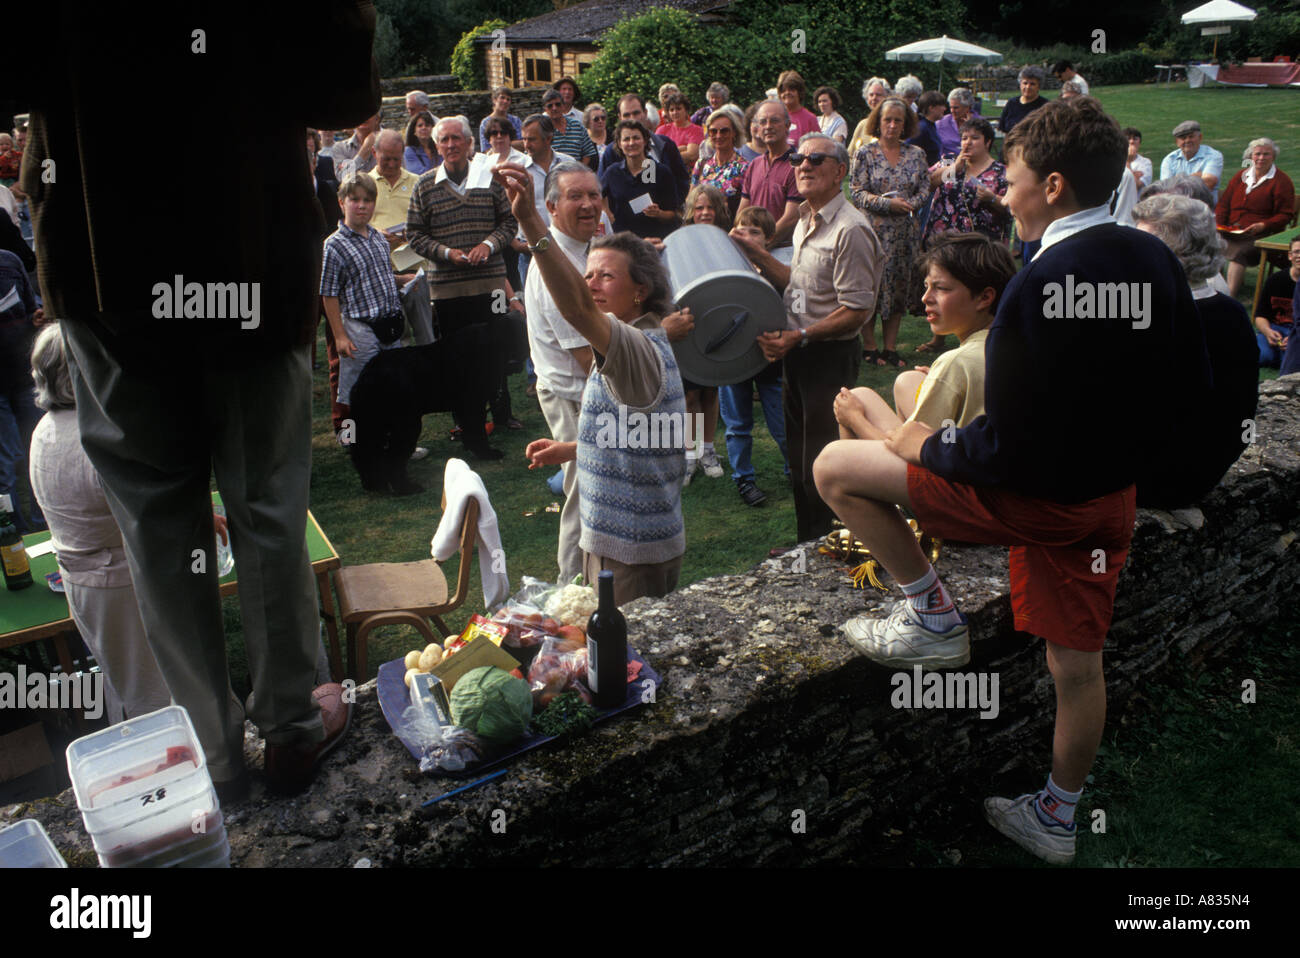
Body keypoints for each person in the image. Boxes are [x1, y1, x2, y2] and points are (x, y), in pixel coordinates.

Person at [813, 96, 1216, 866]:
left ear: (1054, 185)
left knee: (837, 467)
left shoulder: (1045, 278)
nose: (1004, 192)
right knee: (1075, 664)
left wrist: (926, 445)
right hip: (1109, 502)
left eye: (1016, 178)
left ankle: (930, 617)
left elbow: (1009, 451)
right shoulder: (1151, 255)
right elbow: (1188, 387)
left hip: (1041, 499)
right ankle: (1057, 819)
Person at [20, 3, 365, 798]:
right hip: (245, 242)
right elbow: (341, 84)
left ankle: (209, 753)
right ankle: (289, 729)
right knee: (266, 505)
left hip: (100, 255)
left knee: (155, 519)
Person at [497, 163, 689, 606]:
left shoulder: (634, 346)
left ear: (640, 290)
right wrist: (573, 449)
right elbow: (664, 435)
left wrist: (529, 221)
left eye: (606, 276)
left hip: (631, 552)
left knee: (623, 662)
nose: (592, 284)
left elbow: (578, 310)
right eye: (589, 275)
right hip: (622, 542)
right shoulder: (647, 339)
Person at [731, 131, 883, 545]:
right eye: (799, 158)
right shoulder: (804, 219)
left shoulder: (851, 229)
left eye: (817, 159)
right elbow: (799, 285)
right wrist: (757, 254)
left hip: (828, 358)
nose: (804, 165)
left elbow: (856, 310)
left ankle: (831, 544)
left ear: (840, 172)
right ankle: (809, 542)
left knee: (824, 460)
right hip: (798, 352)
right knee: (800, 459)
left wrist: (799, 335)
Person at [28, 322, 170, 723]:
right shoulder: (94, 439)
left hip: (85, 579)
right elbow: (148, 518)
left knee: (121, 681)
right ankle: (169, 769)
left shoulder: (46, 429)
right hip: (117, 581)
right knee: (151, 692)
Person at [405, 116, 520, 457]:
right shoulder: (425, 185)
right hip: (449, 290)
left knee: (497, 355)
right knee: (459, 364)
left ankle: (502, 415)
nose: (451, 145)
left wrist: (488, 244)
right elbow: (415, 234)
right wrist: (445, 253)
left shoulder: (490, 179)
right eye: (445, 141)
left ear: (470, 144)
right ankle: (470, 431)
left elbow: (510, 221)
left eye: (457, 139)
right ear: (436, 146)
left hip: (492, 285)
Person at [1132, 192, 1258, 498]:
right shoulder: (1232, 313)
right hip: (1202, 474)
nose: (1130, 255)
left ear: (1175, 255)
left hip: (1152, 480)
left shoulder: (1158, 318)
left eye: (1139, 246)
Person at [833, 233, 1015, 441]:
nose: (925, 298)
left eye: (940, 288)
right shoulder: (1012, 342)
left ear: (984, 297)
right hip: (991, 456)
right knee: (906, 380)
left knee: (834, 455)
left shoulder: (956, 362)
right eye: (926, 286)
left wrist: (855, 419)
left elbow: (916, 450)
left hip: (955, 469)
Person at [523, 160, 601, 582]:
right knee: (582, 493)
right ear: (551, 207)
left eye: (593, 195)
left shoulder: (579, 249)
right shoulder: (553, 265)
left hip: (581, 385)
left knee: (591, 488)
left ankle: (591, 579)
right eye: (576, 196)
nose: (588, 205)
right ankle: (570, 589)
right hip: (573, 391)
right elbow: (589, 357)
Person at [320, 175, 405, 433]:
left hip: (388, 326)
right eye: (354, 199)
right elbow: (329, 294)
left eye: (368, 200)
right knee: (357, 388)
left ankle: (392, 439)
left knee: (392, 384)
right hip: (359, 328)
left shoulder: (379, 239)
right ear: (341, 202)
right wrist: (340, 336)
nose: (361, 205)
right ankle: (354, 438)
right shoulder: (334, 245)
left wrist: (402, 280)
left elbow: (379, 277)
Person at [718, 206, 790, 507]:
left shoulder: (777, 274)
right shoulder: (721, 271)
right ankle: (744, 479)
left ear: (769, 239)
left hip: (771, 363)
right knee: (737, 426)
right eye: (741, 229)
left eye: (755, 231)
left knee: (783, 424)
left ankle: (795, 469)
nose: (746, 235)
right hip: (732, 363)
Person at [917, 117, 1009, 354]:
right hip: (944, 237)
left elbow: (1010, 206)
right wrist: (953, 169)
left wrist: (991, 198)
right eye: (964, 138)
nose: (968, 143)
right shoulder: (949, 162)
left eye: (975, 138)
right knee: (941, 287)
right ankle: (938, 338)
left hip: (979, 242)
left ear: (988, 142)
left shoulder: (1000, 172)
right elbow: (925, 184)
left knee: (975, 288)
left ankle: (981, 337)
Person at [850, 97, 930, 368]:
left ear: (905, 124)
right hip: (873, 231)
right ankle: (870, 345)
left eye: (898, 120)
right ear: (878, 122)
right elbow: (857, 192)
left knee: (897, 288)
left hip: (904, 233)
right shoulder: (865, 153)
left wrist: (911, 204)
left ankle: (891, 347)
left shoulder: (916, 154)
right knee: (871, 287)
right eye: (887, 120)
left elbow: (924, 188)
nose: (893, 125)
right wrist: (887, 204)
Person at [677, 185, 730, 486]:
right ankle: (689, 454)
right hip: (687, 323)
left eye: (710, 207)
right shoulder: (681, 240)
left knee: (710, 391)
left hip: (718, 323)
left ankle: (708, 450)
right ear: (690, 212)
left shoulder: (728, 238)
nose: (705, 213)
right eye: (699, 208)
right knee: (688, 395)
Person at [1215, 138, 1295, 295]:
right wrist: (1218, 224)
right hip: (1232, 230)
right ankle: (1211, 291)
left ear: (1273, 157)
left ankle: (1230, 296)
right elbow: (1224, 204)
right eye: (1257, 154)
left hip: (1260, 235)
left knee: (1240, 253)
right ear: (1251, 156)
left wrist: (1264, 225)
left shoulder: (1281, 181)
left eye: (1266, 154)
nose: (1261, 158)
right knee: (1209, 243)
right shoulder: (1241, 176)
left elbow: (1285, 215)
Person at [0, 248, 43, 534]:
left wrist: (36, 316)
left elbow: (31, 305)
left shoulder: (9, 261)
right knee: (6, 464)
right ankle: (12, 534)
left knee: (40, 452)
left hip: (24, 375)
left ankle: (45, 526)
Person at [599, 93, 691, 203]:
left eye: (636, 113)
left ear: (645, 113)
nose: (632, 118)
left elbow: (682, 181)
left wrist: (671, 209)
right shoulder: (612, 152)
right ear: (620, 118)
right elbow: (600, 190)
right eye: (626, 115)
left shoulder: (665, 144)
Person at [736, 100, 801, 251]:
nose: (768, 126)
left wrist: (761, 244)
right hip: (754, 248)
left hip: (784, 249)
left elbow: (791, 217)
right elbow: (742, 212)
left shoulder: (798, 166)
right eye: (763, 122)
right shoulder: (754, 165)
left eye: (775, 121)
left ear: (787, 126)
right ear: (757, 128)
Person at [600, 120, 678, 240]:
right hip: (624, 242)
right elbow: (596, 195)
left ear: (645, 141)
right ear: (619, 144)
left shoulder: (661, 172)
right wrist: (607, 213)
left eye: (636, 138)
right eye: (626, 139)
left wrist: (659, 214)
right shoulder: (613, 172)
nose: (631, 143)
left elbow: (672, 214)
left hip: (655, 241)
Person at [1249, 235, 1300, 366]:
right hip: (1275, 328)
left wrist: (1294, 338)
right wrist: (1267, 332)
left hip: (1296, 331)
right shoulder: (1275, 280)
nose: (1299, 256)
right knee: (1261, 356)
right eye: (1296, 252)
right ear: (1290, 255)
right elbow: (1260, 316)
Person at [690, 107, 749, 216]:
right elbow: (690, 201)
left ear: (734, 133)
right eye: (713, 131)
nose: (718, 136)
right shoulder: (701, 164)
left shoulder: (744, 168)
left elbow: (746, 208)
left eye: (724, 131)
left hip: (728, 228)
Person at [1159, 121, 1224, 202]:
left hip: (1204, 209)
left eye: (1191, 137)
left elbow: (1209, 184)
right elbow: (1165, 190)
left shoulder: (1213, 155)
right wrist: (1196, 177)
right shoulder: (1169, 160)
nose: (1187, 141)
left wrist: (1177, 180)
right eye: (1183, 138)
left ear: (1200, 137)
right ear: (1177, 142)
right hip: (1176, 208)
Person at [544, 88, 598, 172]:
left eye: (557, 104)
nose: (554, 108)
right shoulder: (543, 129)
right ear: (545, 109)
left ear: (563, 106)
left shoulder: (577, 125)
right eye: (550, 106)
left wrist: (579, 171)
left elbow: (588, 153)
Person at [656, 92, 705, 167]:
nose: (675, 112)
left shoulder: (696, 130)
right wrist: (682, 148)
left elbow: (691, 156)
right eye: (671, 110)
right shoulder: (662, 130)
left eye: (678, 109)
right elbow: (656, 153)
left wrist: (667, 153)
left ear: (686, 110)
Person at [996, 66, 1048, 136]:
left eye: (1032, 84)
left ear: (1039, 86)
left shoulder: (1045, 106)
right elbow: (1002, 128)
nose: (1028, 87)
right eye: (1025, 83)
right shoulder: (1011, 103)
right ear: (1020, 84)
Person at [848, 77, 891, 156]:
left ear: (887, 97)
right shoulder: (862, 125)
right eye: (871, 95)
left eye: (878, 95)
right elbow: (850, 154)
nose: (874, 98)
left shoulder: (892, 124)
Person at [778, 70, 821, 148]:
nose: (787, 93)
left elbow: (818, 148)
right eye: (783, 90)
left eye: (791, 90)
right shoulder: (775, 116)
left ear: (799, 92)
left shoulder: (810, 119)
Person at [936, 88, 981, 159]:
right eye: (951, 107)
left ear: (967, 107)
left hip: (973, 162)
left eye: (956, 108)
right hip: (947, 164)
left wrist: (970, 126)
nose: (952, 111)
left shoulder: (980, 123)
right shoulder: (941, 123)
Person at [334, 111, 380, 180]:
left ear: (377, 119)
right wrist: (364, 150)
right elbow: (342, 178)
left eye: (368, 113)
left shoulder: (388, 145)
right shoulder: (341, 148)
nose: (363, 117)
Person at [478, 86, 523, 152]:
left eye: (508, 99)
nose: (505, 101)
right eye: (502, 98)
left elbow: (523, 144)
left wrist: (499, 144)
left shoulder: (516, 121)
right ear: (494, 100)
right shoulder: (485, 123)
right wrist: (512, 143)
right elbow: (486, 150)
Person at [907, 91, 946, 166]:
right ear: (931, 108)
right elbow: (907, 148)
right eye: (942, 106)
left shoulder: (931, 125)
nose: (944, 109)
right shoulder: (922, 128)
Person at [404, 110, 439, 175]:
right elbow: (419, 174)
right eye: (420, 126)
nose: (424, 128)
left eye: (427, 125)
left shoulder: (439, 148)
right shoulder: (409, 151)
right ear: (414, 131)